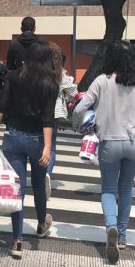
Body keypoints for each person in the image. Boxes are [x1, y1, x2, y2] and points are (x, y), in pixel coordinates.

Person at [72, 41, 135, 265]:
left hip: (109, 144)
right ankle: (122, 236)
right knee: (126, 189)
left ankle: (111, 226)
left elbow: (79, 109)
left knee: (108, 189)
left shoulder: (101, 81)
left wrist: (78, 125)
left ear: (110, 58)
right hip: (134, 143)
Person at [0, 39, 59, 258]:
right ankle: (40, 225)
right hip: (37, 140)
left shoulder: (13, 76)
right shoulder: (50, 84)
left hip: (14, 138)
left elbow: (2, 104)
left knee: (16, 189)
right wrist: (47, 147)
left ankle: (17, 240)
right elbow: (48, 118)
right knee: (39, 184)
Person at [47, 42, 78, 199]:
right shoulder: (63, 76)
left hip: (37, 113)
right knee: (51, 147)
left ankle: (39, 174)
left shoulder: (39, 72)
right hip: (54, 115)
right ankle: (47, 174)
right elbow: (75, 92)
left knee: (39, 144)